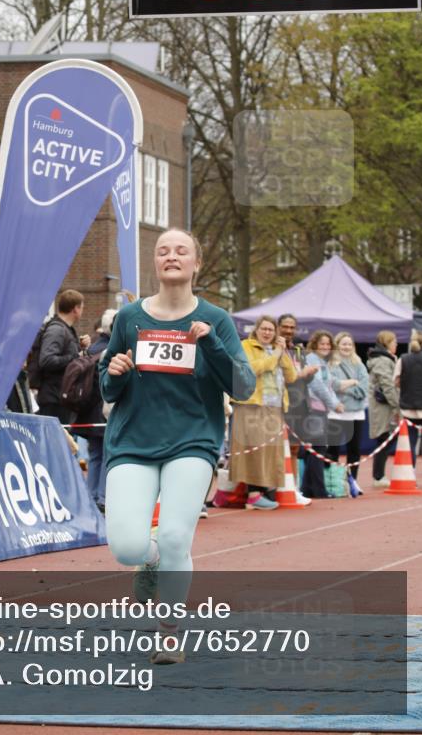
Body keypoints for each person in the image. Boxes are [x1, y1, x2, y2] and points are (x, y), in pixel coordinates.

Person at [99, 228, 255, 664]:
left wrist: (212, 342)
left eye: (181, 250)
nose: (171, 256)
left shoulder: (215, 318)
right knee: (127, 546)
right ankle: (147, 562)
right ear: (155, 262)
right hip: (133, 440)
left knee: (173, 536)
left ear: (195, 263)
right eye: (163, 250)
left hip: (193, 440)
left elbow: (243, 385)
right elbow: (108, 389)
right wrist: (114, 371)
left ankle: (169, 632)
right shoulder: (129, 318)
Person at [230, 315, 297, 510]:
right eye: (264, 329)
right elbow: (252, 369)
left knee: (270, 452)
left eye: (271, 329)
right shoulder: (246, 346)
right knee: (254, 450)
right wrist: (275, 354)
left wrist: (282, 353)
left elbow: (291, 376)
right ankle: (253, 494)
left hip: (274, 406)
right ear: (256, 330)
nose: (267, 333)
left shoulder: (277, 350)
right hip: (252, 404)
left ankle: (265, 491)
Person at [76, 308, 117, 513]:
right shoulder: (112, 350)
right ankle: (102, 496)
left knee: (95, 455)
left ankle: (89, 495)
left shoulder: (91, 348)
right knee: (107, 455)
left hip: (87, 411)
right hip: (104, 410)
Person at [277, 313, 319, 503]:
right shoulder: (274, 349)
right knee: (276, 449)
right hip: (280, 404)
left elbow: (304, 379)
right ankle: (276, 488)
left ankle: (293, 488)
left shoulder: (299, 351)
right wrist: (301, 373)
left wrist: (310, 374)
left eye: (292, 327)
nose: (288, 331)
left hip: (299, 405)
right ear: (278, 327)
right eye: (285, 326)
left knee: (294, 450)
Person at [37, 290, 91, 423]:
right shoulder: (57, 330)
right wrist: (74, 356)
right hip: (54, 399)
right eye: (82, 307)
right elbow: (47, 360)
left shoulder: (64, 329)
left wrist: (79, 347)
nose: (82, 311)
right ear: (75, 309)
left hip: (60, 397)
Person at [301, 330, 341, 499]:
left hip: (321, 409)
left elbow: (330, 386)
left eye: (328, 344)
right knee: (318, 448)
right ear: (315, 345)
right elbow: (317, 386)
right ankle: (318, 489)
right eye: (322, 344)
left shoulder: (324, 363)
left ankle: (308, 488)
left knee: (315, 450)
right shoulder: (311, 360)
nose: (325, 347)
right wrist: (334, 404)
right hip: (313, 408)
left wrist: (335, 401)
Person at [327, 332, 369, 487]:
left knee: (354, 450)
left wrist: (348, 387)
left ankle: (353, 480)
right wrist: (353, 383)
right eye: (343, 343)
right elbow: (333, 384)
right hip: (337, 412)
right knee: (334, 449)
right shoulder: (331, 364)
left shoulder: (359, 364)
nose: (347, 347)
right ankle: (332, 480)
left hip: (356, 412)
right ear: (337, 345)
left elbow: (365, 386)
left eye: (349, 344)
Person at [367, 330, 401, 486]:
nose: (396, 344)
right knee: (384, 438)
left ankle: (379, 475)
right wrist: (397, 405)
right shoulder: (382, 361)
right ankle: (378, 476)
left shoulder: (387, 359)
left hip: (386, 405)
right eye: (394, 342)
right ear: (387, 343)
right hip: (383, 406)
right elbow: (387, 384)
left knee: (386, 438)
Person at [396, 331, 422, 468]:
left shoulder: (403, 359)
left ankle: (410, 468)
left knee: (410, 441)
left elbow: (395, 381)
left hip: (407, 407)